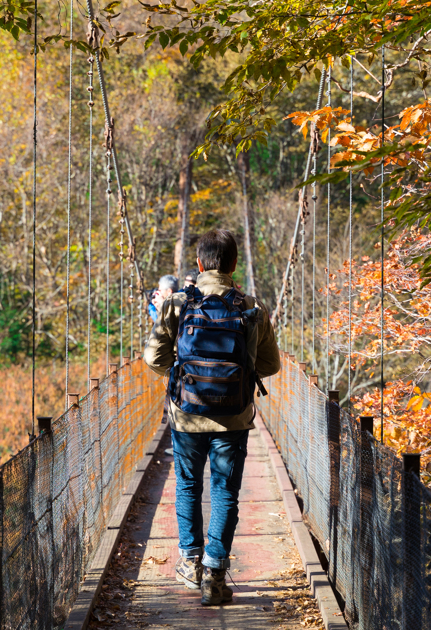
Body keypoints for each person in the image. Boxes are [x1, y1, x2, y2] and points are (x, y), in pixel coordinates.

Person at [143, 229, 280, 606]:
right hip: (234, 419)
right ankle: (215, 575)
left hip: (186, 417)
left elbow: (154, 359)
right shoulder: (250, 307)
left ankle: (190, 564)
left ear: (200, 264)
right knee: (225, 492)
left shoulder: (176, 304)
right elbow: (271, 364)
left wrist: (184, 372)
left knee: (188, 486)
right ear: (234, 265)